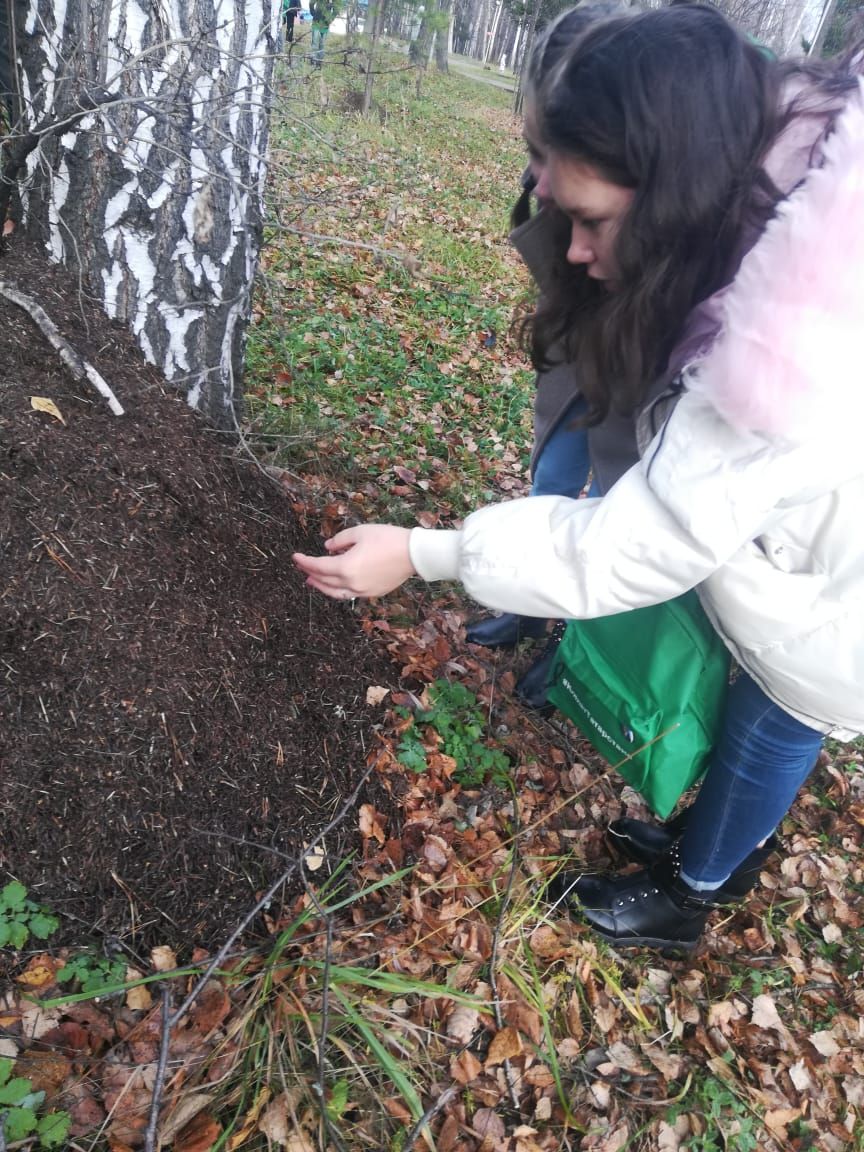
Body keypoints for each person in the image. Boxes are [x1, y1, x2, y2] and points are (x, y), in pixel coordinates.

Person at [294, 5, 864, 951]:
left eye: (591, 219)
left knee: (777, 716)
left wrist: (428, 551)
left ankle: (691, 895)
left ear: (675, 189)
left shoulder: (787, 346)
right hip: (801, 550)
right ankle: (709, 844)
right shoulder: (781, 186)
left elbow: (634, 545)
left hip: (834, 604)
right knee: (752, 709)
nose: (569, 249)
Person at [466, 4, 636, 713]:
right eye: (531, 153)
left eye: (546, 155)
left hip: (642, 347)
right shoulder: (566, 192)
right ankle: (532, 604)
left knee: (620, 501)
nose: (536, 182)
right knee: (555, 472)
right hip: (583, 336)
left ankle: (578, 652)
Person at [310, 0, 339, 68]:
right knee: (315, 43)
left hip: (325, 24)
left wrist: (330, 18)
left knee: (322, 44)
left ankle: (319, 62)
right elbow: (311, 3)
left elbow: (336, 9)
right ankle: (313, 61)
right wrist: (313, 12)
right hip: (316, 23)